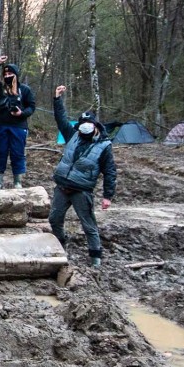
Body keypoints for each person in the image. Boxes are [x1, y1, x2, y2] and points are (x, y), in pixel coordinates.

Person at [50, 85, 116, 268]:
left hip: (82, 190)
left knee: (88, 225)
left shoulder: (104, 146)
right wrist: (57, 99)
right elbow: (61, 119)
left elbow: (110, 171)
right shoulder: (73, 135)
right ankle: (61, 246)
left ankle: (96, 259)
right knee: (54, 219)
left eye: (88, 124)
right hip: (62, 186)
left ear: (95, 126)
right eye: (81, 125)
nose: (84, 128)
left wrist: (108, 196)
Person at [0, 55, 36, 189]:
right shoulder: (1, 88)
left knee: (17, 153)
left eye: (10, 73)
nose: (7, 75)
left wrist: (22, 113)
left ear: (16, 75)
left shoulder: (25, 90)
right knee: (0, 152)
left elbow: (32, 106)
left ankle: (17, 182)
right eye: (6, 73)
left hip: (19, 126)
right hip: (2, 125)